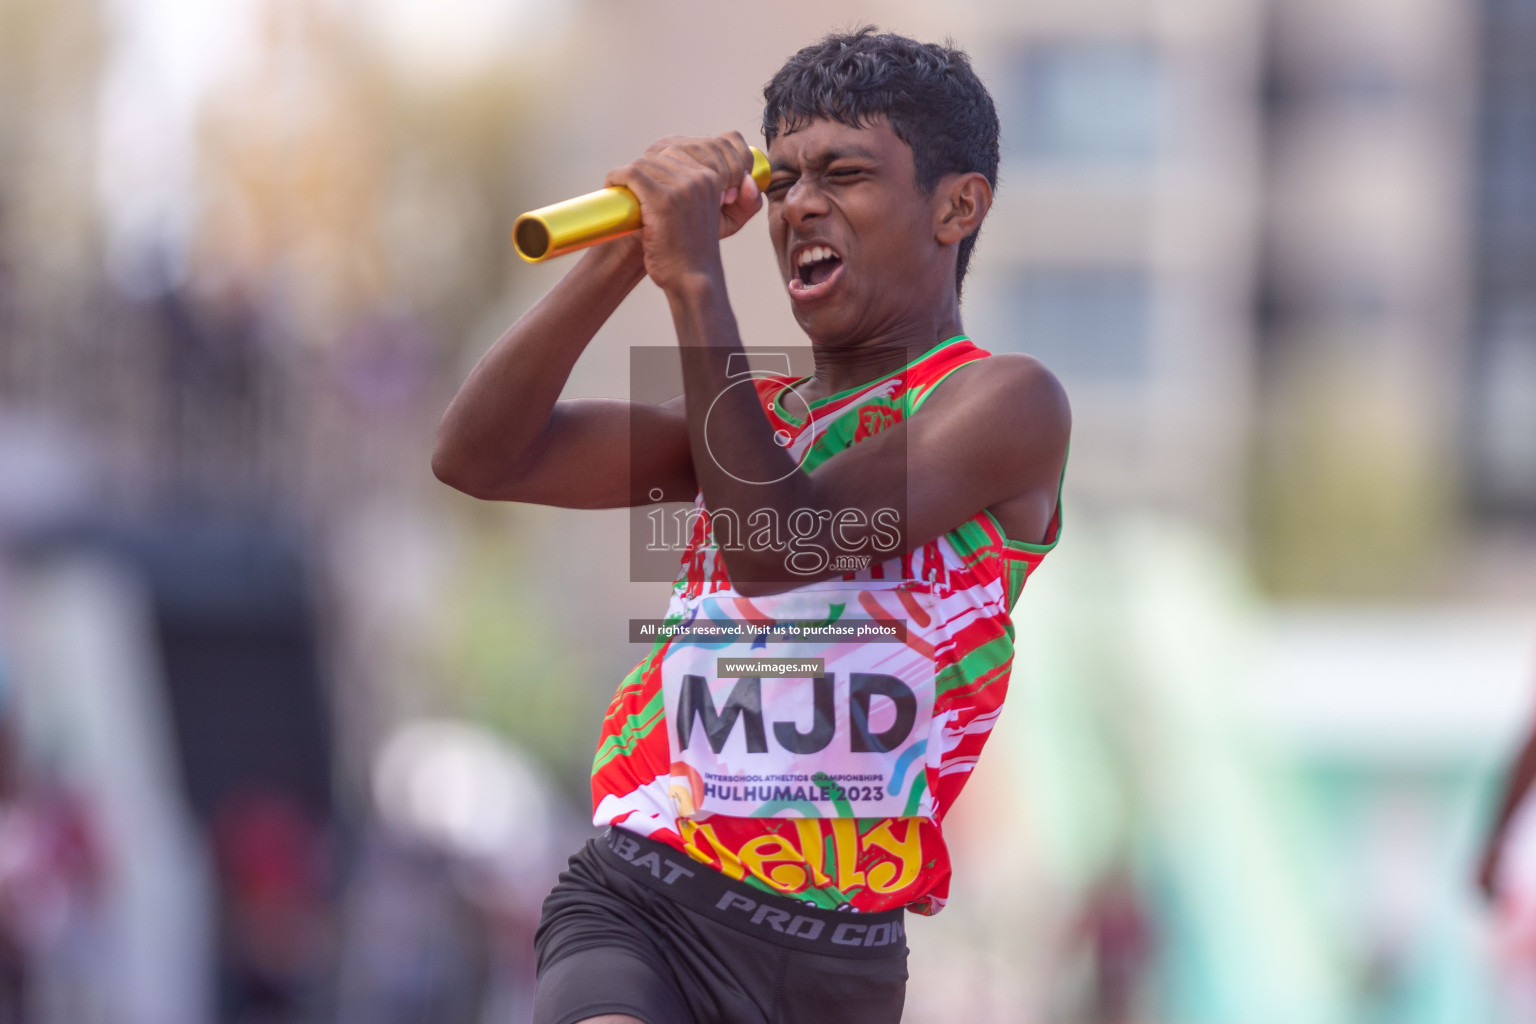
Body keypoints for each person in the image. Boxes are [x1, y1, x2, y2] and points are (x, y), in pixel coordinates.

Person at [433, 28, 1071, 1024]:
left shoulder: (1006, 403)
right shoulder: (751, 417)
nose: (802, 206)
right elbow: (480, 455)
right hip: (645, 898)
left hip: (840, 961)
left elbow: (778, 544)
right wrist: (626, 255)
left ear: (958, 205)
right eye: (785, 182)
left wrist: (693, 277)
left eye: (846, 174)